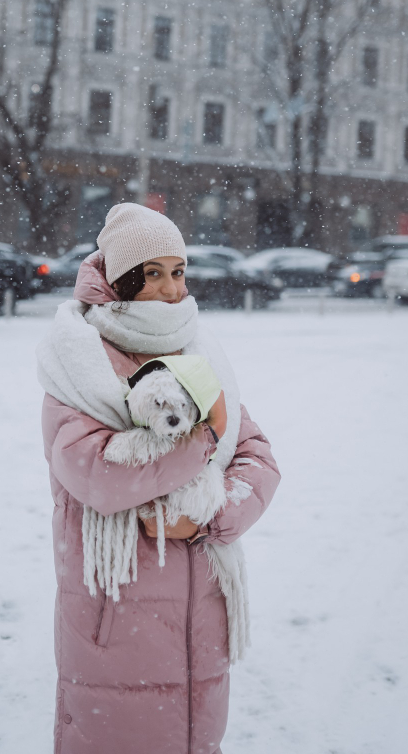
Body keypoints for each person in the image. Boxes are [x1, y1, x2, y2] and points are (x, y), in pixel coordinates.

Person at [38, 203, 280, 754]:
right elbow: (95, 472)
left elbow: (258, 454)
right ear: (121, 280)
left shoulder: (199, 352)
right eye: (153, 274)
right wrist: (204, 440)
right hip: (115, 613)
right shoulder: (79, 364)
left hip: (204, 613)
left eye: (179, 272)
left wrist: (209, 518)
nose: (173, 291)